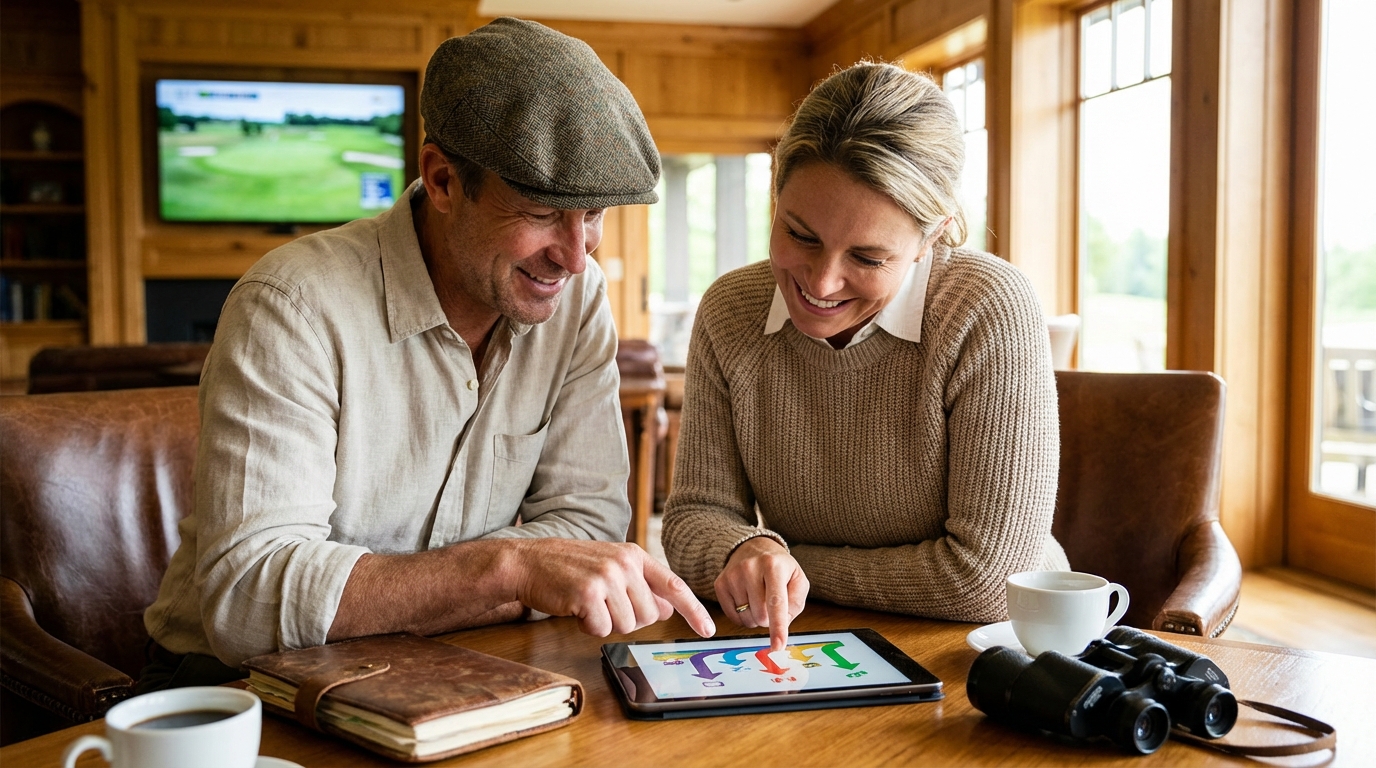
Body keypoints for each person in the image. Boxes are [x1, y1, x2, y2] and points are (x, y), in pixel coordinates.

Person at [139, 17, 714, 692]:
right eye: (540, 211)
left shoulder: (578, 299)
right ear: (442, 180)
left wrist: (431, 590)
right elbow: (248, 598)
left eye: (593, 214)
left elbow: (588, 526)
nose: (574, 253)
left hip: (455, 667)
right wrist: (507, 569)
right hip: (232, 690)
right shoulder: (290, 305)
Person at [662, 62, 1070, 651]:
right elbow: (695, 516)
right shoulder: (731, 311)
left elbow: (985, 582)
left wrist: (786, 563)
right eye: (800, 234)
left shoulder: (987, 307)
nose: (821, 283)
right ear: (776, 188)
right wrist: (739, 548)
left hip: (985, 653)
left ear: (932, 238)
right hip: (810, 642)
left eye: (869, 258)